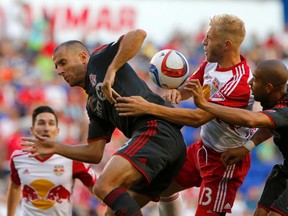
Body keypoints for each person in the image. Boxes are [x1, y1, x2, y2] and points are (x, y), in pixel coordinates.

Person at [21, 29, 187, 216]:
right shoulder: (93, 104)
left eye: (63, 62)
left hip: (156, 129)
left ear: (83, 57)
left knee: (103, 186)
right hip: (165, 143)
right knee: (112, 213)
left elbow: (138, 35)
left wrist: (112, 69)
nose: (59, 71)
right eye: (56, 67)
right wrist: (55, 147)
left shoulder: (99, 60)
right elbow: (94, 153)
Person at [115, 14, 255, 215]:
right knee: (159, 186)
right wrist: (177, 93)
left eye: (209, 38)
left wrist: (147, 107)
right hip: (202, 150)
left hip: (224, 163)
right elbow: (191, 88)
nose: (203, 42)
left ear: (226, 45)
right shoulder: (212, 64)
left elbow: (199, 118)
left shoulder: (239, 83)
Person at [188, 59, 288, 216]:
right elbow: (270, 126)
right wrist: (245, 148)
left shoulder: (285, 109)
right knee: (260, 213)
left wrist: (205, 105)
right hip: (286, 169)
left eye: (255, 79)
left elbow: (252, 120)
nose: (249, 82)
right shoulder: (278, 96)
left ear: (268, 88)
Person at [7, 105, 97, 216]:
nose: (46, 128)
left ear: (57, 131)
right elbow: (15, 187)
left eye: (51, 123)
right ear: (32, 130)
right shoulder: (18, 158)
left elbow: (98, 190)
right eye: (41, 123)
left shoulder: (72, 158)